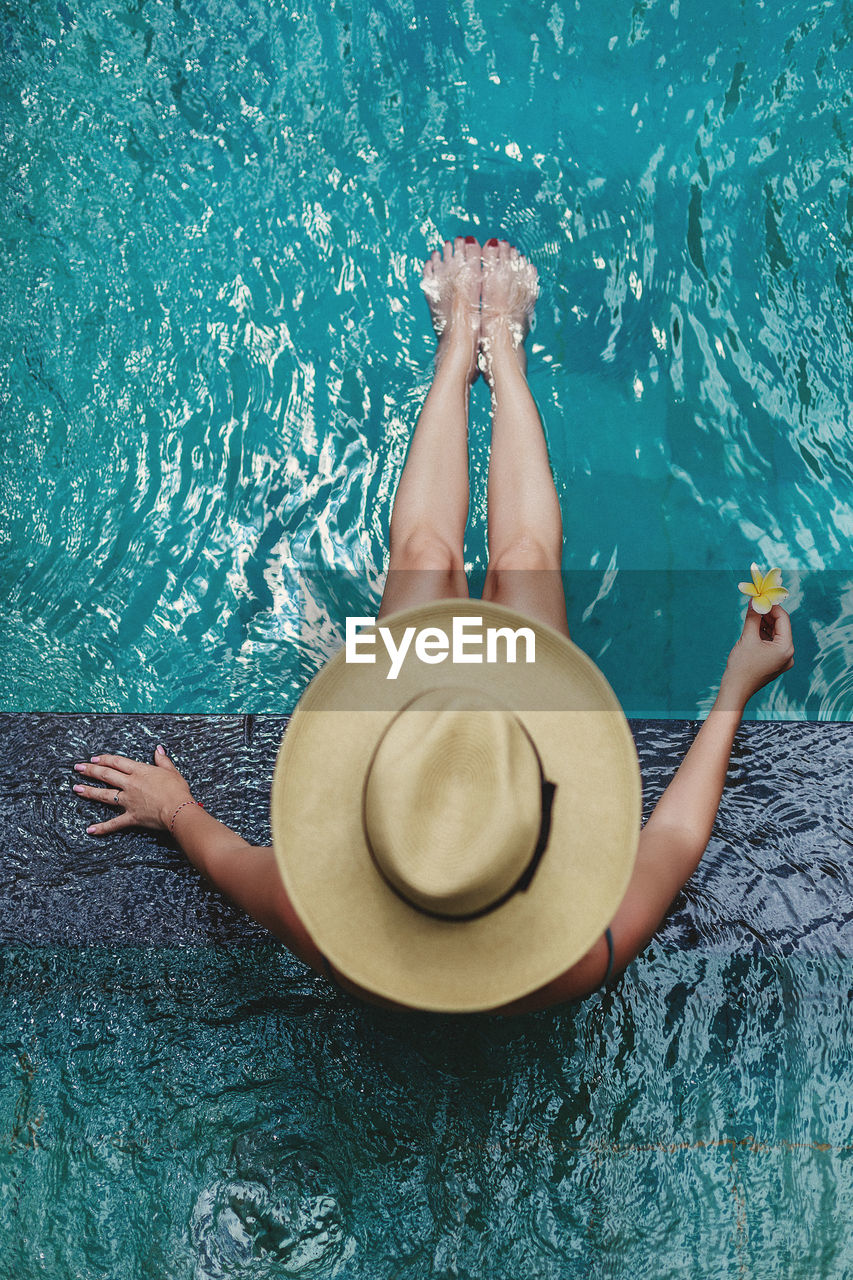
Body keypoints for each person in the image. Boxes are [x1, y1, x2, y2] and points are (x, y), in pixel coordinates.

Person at [70, 237, 795, 1015]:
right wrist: (734, 690)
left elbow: (221, 854)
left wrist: (172, 808)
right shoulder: (576, 959)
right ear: (537, 848)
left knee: (424, 552)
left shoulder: (318, 922)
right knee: (522, 558)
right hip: (494, 736)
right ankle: (504, 361)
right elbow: (675, 842)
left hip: (421, 733)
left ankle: (457, 352)